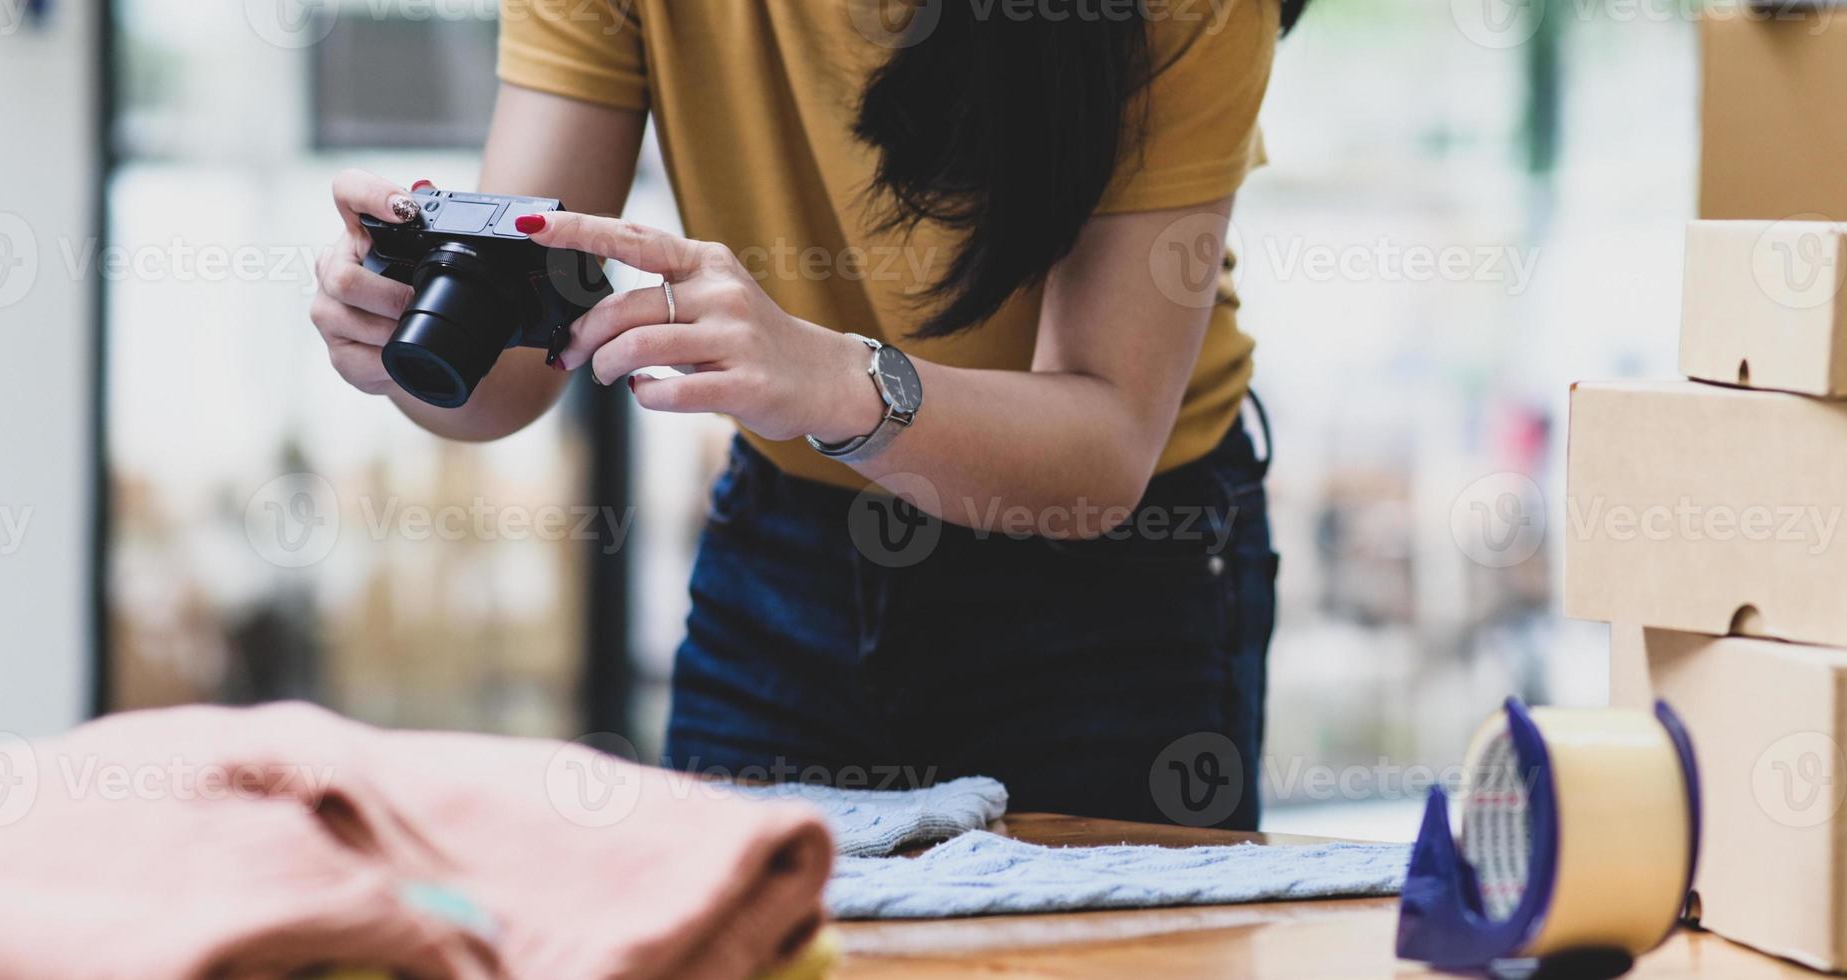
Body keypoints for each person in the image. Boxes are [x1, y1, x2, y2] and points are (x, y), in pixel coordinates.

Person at [309, 0, 1304, 829]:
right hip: (788, 552)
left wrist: (833, 379)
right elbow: (506, 379)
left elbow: (1101, 445)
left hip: (1117, 580)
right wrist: (399, 328)